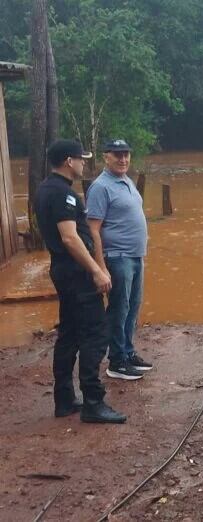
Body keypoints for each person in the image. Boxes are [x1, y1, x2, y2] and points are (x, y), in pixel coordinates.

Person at [35, 139, 126, 423]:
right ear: (68, 161)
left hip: (63, 272)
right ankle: (93, 403)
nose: (83, 163)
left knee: (70, 334)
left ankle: (64, 400)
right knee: (95, 336)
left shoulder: (45, 189)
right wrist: (97, 271)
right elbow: (70, 238)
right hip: (76, 275)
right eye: (80, 158)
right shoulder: (64, 194)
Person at [87, 139, 152, 381]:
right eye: (117, 155)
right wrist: (100, 266)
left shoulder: (126, 181)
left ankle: (127, 351)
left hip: (135, 256)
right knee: (119, 309)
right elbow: (93, 229)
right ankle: (116, 361)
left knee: (133, 307)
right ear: (106, 157)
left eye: (126, 155)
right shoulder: (100, 187)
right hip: (117, 257)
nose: (123, 159)